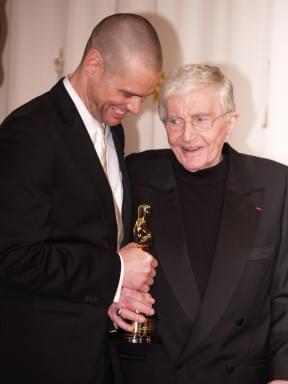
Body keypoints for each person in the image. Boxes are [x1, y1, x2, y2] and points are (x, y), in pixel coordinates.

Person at [0, 13, 162, 384]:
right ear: (93, 64)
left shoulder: (113, 131)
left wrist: (112, 297)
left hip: (94, 356)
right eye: (127, 93)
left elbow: (85, 237)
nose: (136, 108)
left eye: (144, 97)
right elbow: (13, 257)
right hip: (40, 361)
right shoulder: (30, 131)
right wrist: (117, 271)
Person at [109, 64, 288, 384]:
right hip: (154, 372)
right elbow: (98, 252)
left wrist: (284, 374)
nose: (187, 135)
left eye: (201, 119)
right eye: (175, 121)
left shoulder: (276, 184)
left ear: (230, 122)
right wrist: (113, 291)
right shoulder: (136, 173)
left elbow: (285, 295)